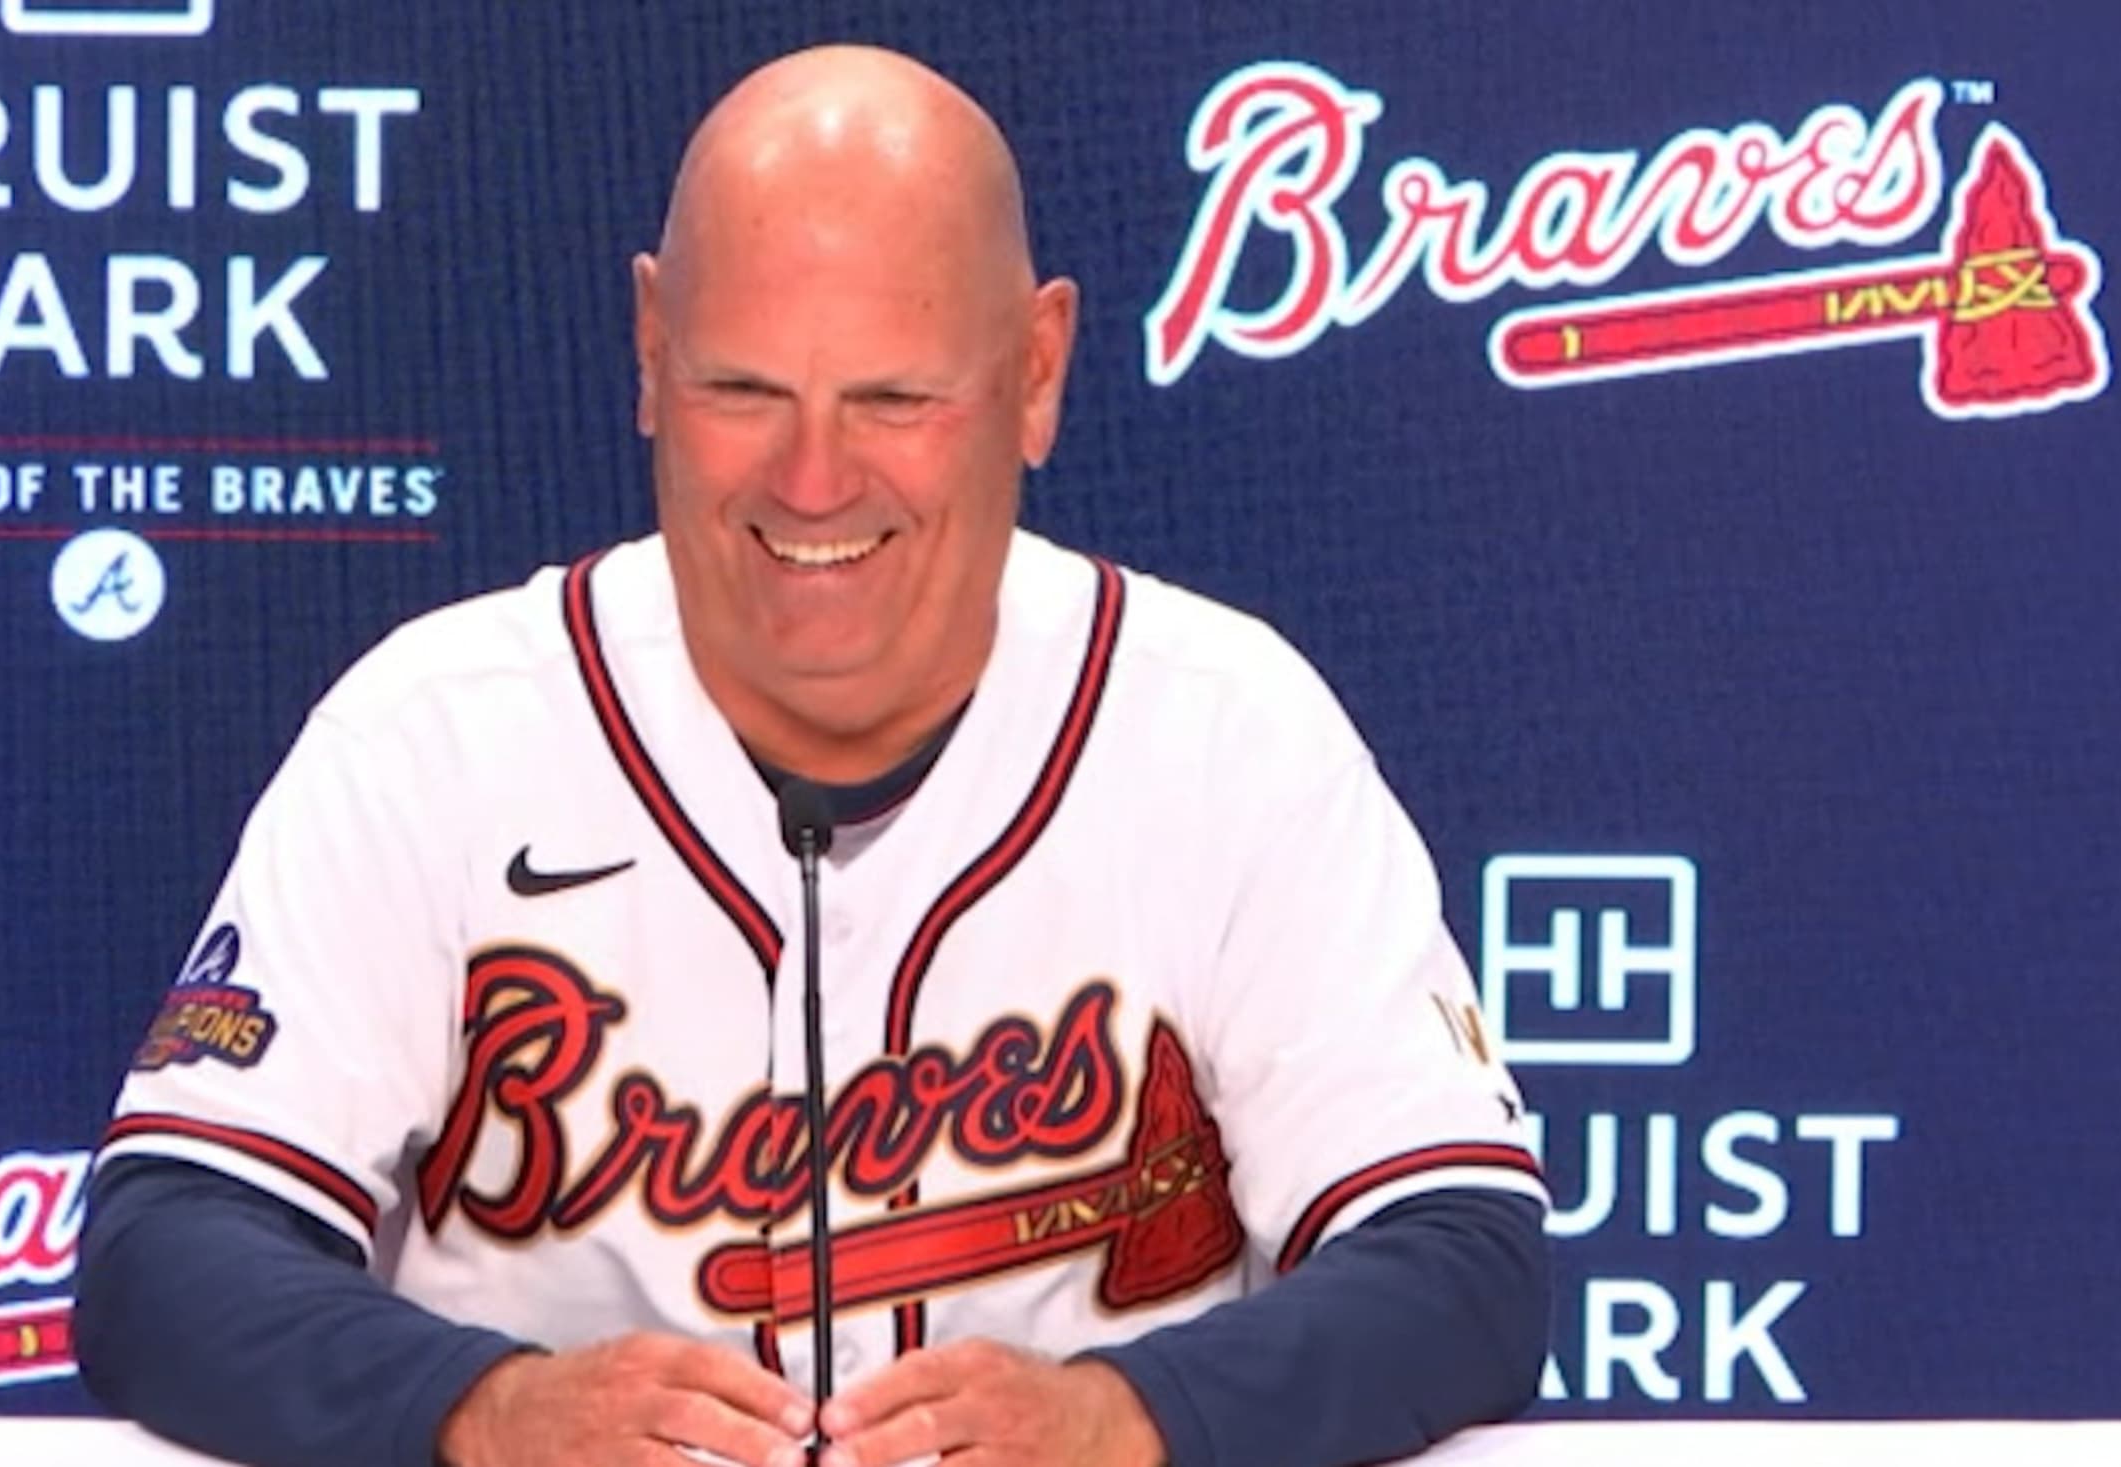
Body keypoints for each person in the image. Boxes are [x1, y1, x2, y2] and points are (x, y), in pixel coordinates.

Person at [75, 44, 1549, 1467]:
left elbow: (1459, 1259)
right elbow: (173, 1246)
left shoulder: (1226, 732)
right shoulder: (440, 732)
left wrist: (1131, 1418)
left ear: (1036, 373)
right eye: (743, 393)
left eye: (896, 400)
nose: (815, 479)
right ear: (650, 354)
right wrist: (485, 1407)